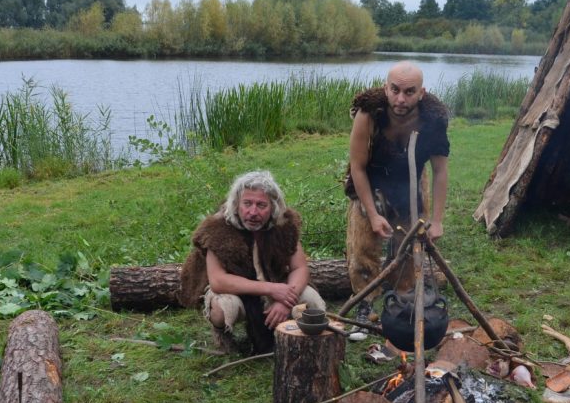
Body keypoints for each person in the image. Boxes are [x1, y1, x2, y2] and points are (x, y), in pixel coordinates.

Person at [344, 61, 450, 319]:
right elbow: (357, 167)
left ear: (421, 93)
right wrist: (372, 214)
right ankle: (364, 301)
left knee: (410, 241)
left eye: (409, 92)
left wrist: (436, 221)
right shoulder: (369, 114)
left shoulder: (433, 119)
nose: (400, 99)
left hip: (412, 181)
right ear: (386, 88)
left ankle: (402, 299)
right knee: (363, 248)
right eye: (395, 90)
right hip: (371, 180)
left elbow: (440, 172)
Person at [179, 171, 325, 353]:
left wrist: (285, 301)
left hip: (277, 279)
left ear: (272, 207)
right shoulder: (218, 228)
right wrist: (271, 289)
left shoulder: (283, 224)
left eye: (261, 205)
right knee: (223, 309)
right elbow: (218, 281)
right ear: (237, 204)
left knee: (312, 302)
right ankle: (222, 333)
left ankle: (298, 334)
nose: (253, 212)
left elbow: (299, 267)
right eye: (247, 203)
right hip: (236, 290)